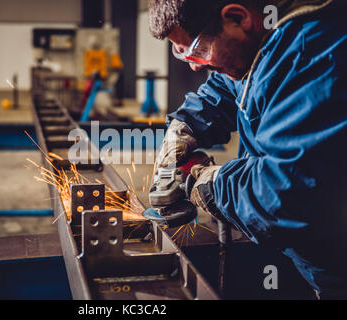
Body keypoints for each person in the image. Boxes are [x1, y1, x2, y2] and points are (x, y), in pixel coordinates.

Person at [148, 0, 347, 298]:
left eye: (199, 51)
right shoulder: (262, 42)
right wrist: (185, 126)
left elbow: (284, 193)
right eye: (183, 52)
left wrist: (208, 184)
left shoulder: (313, 52)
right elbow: (228, 88)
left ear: (238, 18)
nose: (193, 64)